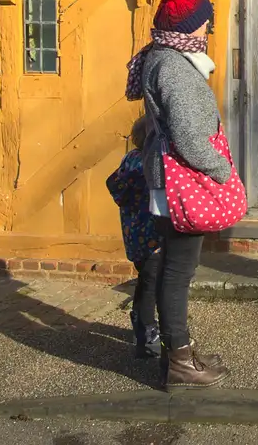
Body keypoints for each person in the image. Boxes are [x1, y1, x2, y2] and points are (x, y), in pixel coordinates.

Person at [124, 0, 230, 390]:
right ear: (190, 27)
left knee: (171, 267)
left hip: (167, 176)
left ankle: (178, 354)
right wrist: (220, 169)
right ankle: (181, 364)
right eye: (204, 22)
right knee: (177, 271)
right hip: (181, 179)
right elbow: (188, 135)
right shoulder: (173, 67)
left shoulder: (160, 57)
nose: (207, 29)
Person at [105, 115, 162, 359]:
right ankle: (148, 333)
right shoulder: (147, 166)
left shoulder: (127, 161)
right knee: (152, 284)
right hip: (152, 238)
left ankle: (140, 324)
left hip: (134, 238)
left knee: (145, 281)